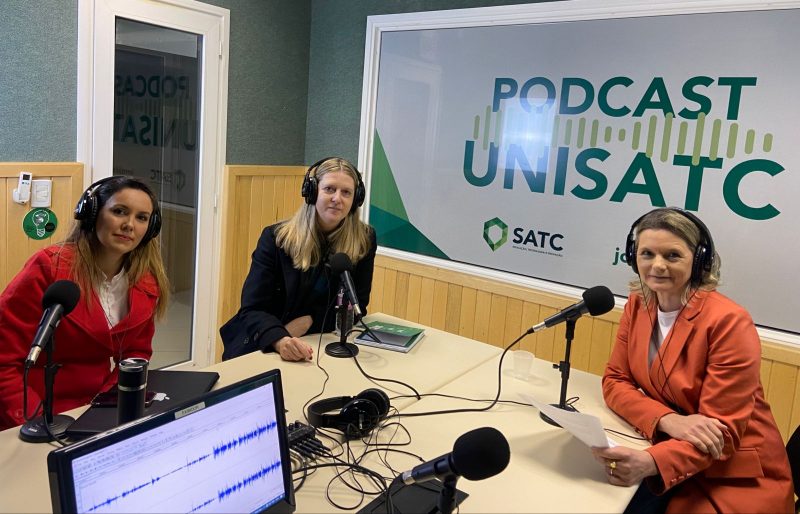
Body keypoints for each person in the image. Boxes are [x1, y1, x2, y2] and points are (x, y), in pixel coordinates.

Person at [593, 207, 793, 513]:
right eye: (647, 254)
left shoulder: (728, 321)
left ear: (698, 261)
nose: (657, 266)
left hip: (732, 472)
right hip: (674, 447)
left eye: (672, 256)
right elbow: (615, 381)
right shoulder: (639, 304)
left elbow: (722, 433)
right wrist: (669, 421)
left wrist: (650, 462)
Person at [0, 176, 170, 430]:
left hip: (96, 408)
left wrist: (110, 407)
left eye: (141, 218)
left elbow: (136, 354)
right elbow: (4, 360)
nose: (129, 225)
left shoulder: (146, 282)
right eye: (119, 211)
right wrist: (34, 422)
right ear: (91, 214)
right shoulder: (49, 267)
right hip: (35, 410)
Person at [220, 157, 377, 362]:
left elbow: (357, 307)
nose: (337, 198)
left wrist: (309, 321)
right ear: (312, 192)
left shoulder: (364, 239)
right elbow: (252, 308)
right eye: (329, 189)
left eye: (346, 192)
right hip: (267, 343)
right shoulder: (276, 239)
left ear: (356, 200)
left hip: (321, 343)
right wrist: (280, 339)